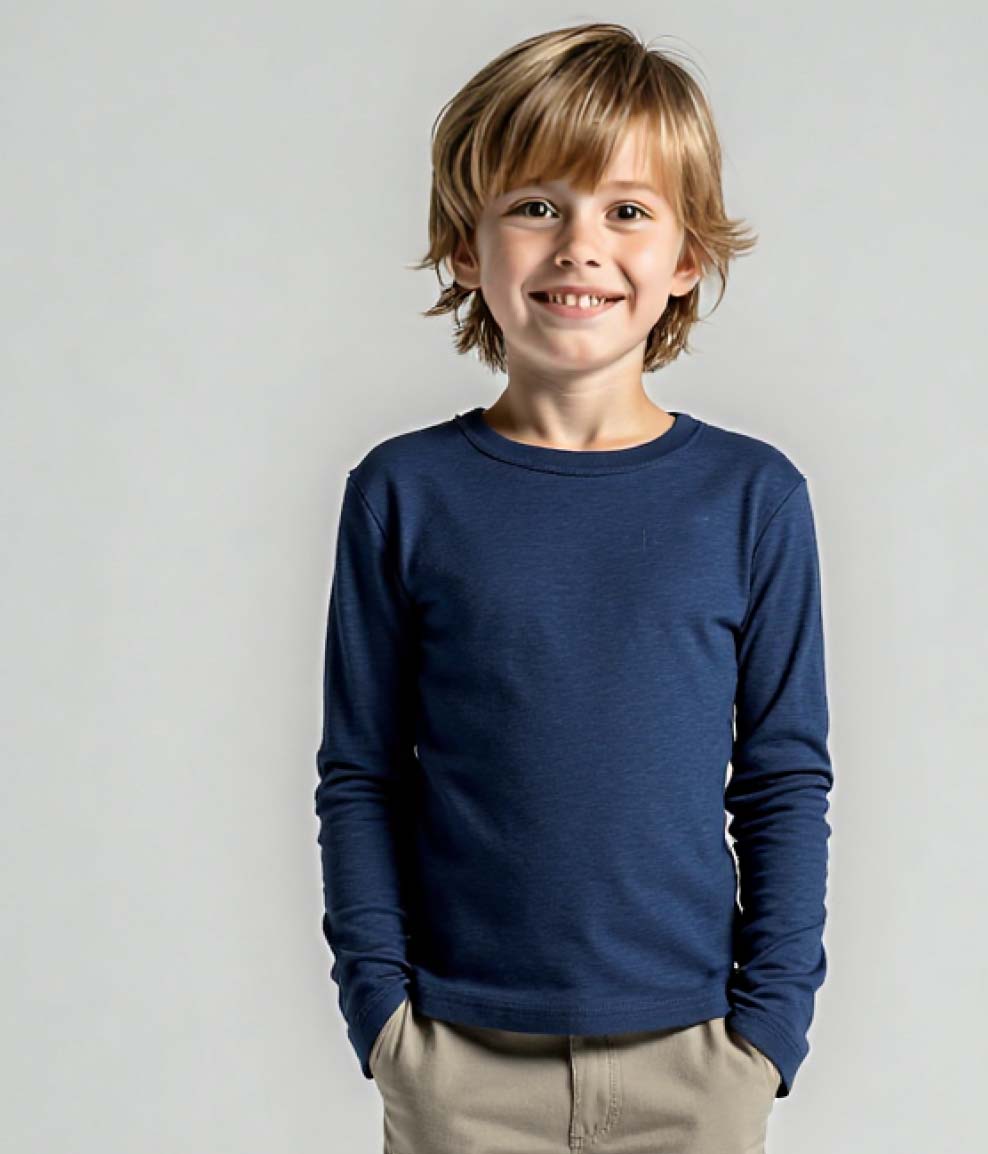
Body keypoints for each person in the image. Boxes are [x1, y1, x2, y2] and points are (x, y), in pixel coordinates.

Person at [314, 21, 834, 1154]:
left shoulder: (751, 497)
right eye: (536, 205)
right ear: (467, 246)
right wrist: (386, 1023)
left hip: (693, 1063)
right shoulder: (404, 492)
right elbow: (362, 772)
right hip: (458, 1061)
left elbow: (783, 780)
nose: (579, 246)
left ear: (686, 258)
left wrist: (765, 1037)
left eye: (627, 210)